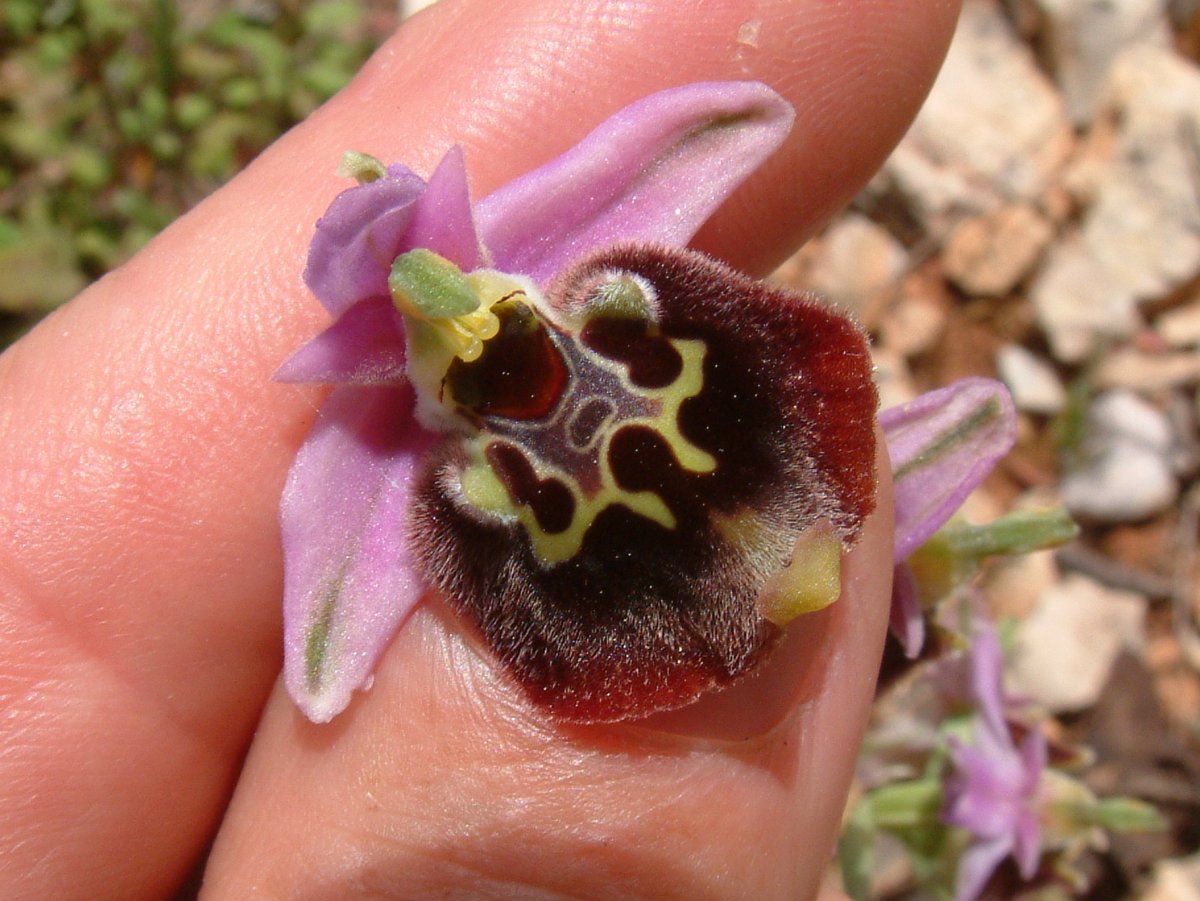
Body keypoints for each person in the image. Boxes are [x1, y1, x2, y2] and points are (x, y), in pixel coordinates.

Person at [0, 0, 960, 896]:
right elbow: (331, 618)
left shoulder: (545, 254)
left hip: (599, 360)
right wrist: (330, 645)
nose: (485, 338)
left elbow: (715, 135)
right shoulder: (363, 446)